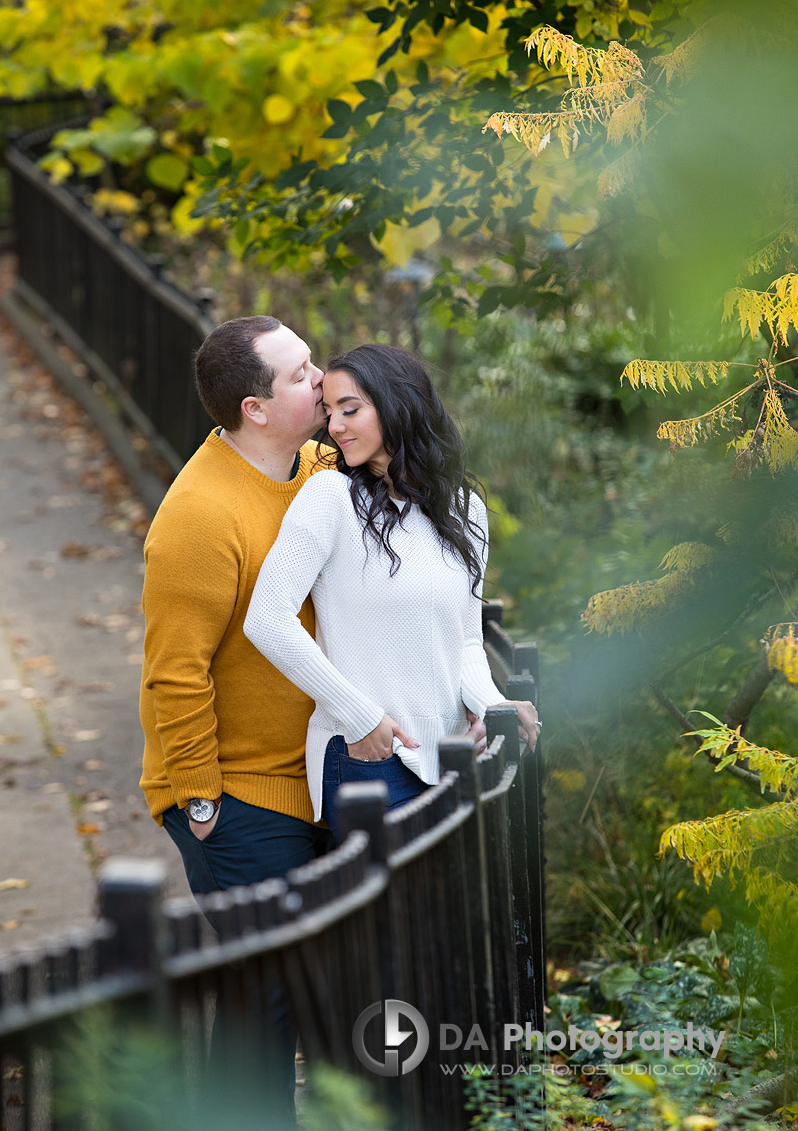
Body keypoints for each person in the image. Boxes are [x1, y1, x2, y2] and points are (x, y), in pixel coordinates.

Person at [139, 314, 349, 1127]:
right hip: (238, 793)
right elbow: (174, 674)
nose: (321, 377)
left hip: (324, 768)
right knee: (264, 999)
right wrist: (201, 804)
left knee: (316, 986)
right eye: (300, 374)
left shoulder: (322, 464)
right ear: (255, 409)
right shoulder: (196, 518)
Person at [243, 344, 540, 839]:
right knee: (393, 917)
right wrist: (361, 718)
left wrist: (491, 704)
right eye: (329, 411)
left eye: (350, 409)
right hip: (368, 760)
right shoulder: (330, 498)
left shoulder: (464, 510)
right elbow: (267, 619)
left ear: (397, 405)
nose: (335, 426)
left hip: (451, 758)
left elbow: (466, 639)